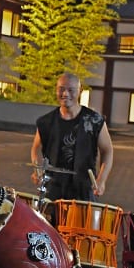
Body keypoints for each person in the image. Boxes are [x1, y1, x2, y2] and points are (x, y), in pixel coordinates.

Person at [30, 73, 114, 202]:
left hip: (83, 189)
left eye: (71, 90)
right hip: (52, 189)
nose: (65, 94)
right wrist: (38, 169)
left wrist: (101, 180)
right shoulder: (46, 122)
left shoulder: (94, 120)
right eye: (61, 89)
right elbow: (36, 148)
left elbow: (107, 150)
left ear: (79, 91)